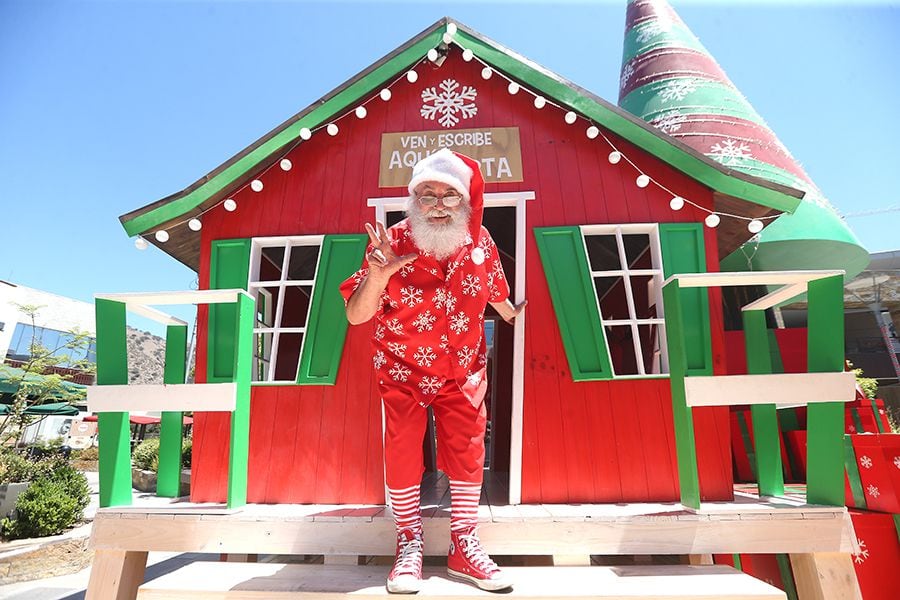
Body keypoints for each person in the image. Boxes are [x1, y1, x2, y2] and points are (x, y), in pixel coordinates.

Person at [340, 149, 525, 593]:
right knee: (403, 448)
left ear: (465, 201)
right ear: (413, 200)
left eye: (449, 194)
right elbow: (356, 315)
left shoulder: (481, 243)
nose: (439, 203)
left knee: (467, 448)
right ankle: (409, 544)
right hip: (403, 365)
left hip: (463, 366)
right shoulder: (391, 244)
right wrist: (379, 277)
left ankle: (465, 544)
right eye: (427, 194)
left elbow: (496, 292)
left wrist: (511, 314)